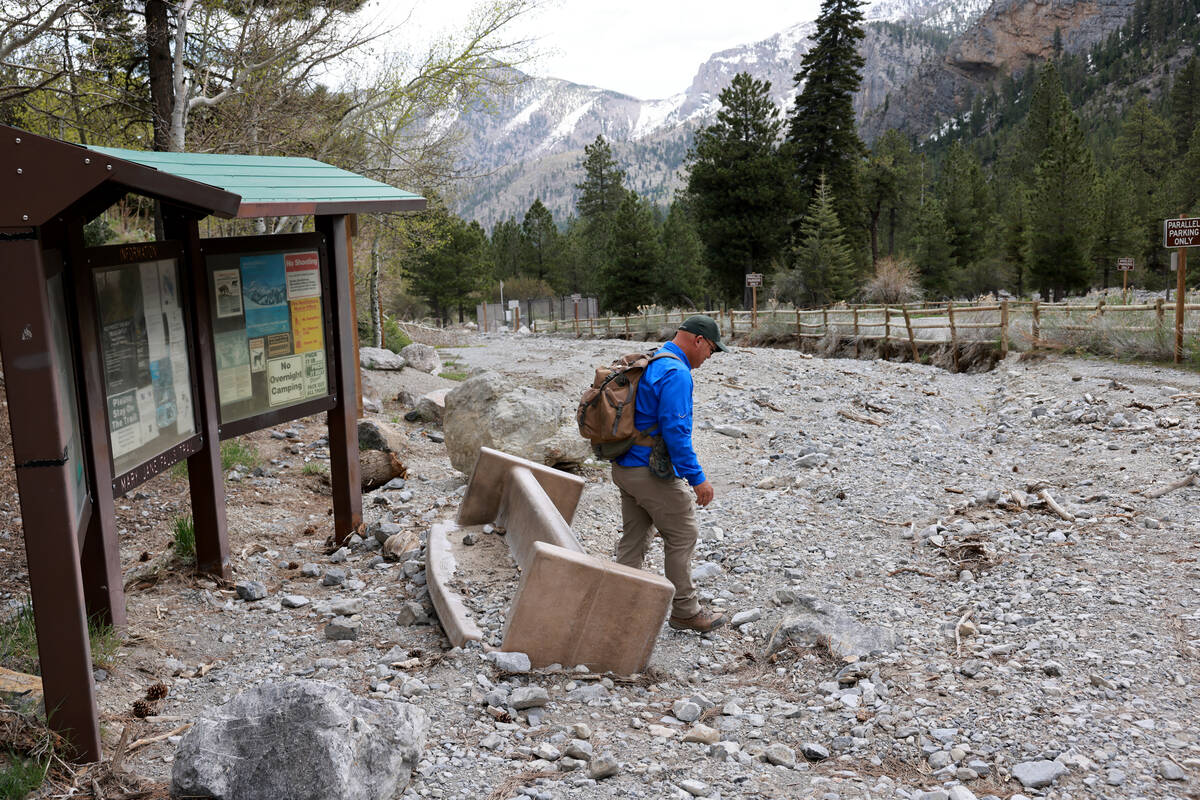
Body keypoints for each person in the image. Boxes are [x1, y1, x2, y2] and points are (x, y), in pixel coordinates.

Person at [611, 315, 729, 633]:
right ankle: (685, 611)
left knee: (634, 539)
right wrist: (697, 479)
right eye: (712, 350)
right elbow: (676, 433)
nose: (710, 356)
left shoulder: (653, 358)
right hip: (648, 471)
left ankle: (616, 606)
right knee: (683, 535)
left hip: (623, 466)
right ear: (698, 341)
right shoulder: (677, 373)